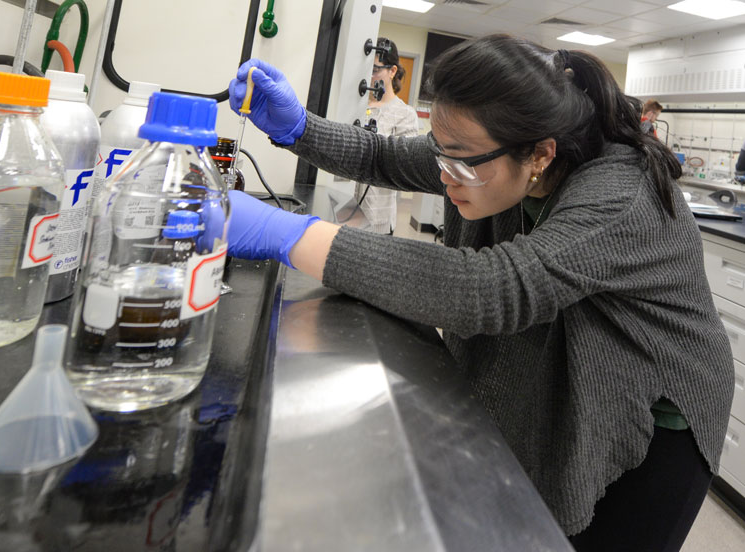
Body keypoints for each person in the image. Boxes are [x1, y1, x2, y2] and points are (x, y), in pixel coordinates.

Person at [225, 35, 733, 551]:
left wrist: (289, 235)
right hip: (577, 363)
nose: (446, 176)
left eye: (461, 163)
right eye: (441, 154)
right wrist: (299, 128)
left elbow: (493, 287)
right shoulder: (483, 148)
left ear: (540, 154)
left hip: (656, 414)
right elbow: (386, 156)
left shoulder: (623, 194)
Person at [346, 37, 421, 234]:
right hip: (342, 211)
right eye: (367, 70)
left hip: (377, 220)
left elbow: (404, 168)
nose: (370, 77)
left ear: (392, 70)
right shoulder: (354, 108)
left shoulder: (405, 114)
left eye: (376, 70)